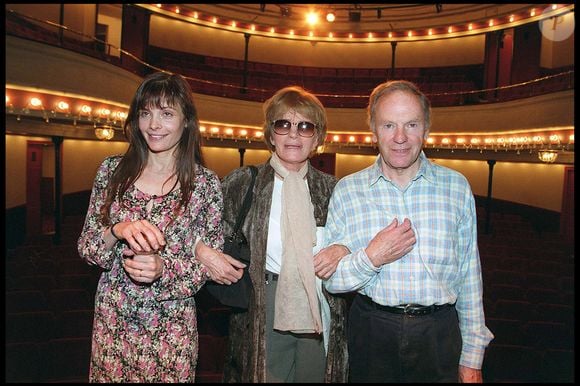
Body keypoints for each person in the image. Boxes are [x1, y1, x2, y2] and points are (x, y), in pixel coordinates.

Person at [323, 80, 494, 383]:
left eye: (411, 124)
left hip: (439, 334)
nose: (400, 137)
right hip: (372, 331)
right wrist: (373, 257)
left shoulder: (456, 187)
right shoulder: (347, 190)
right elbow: (333, 282)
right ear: (373, 131)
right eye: (388, 125)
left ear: (426, 129)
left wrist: (472, 358)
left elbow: (470, 277)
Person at [77, 72, 240, 382]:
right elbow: (87, 247)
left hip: (172, 329)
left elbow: (206, 268)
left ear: (186, 121)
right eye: (146, 113)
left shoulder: (205, 185)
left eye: (166, 114)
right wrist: (117, 230)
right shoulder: (111, 171)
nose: (153, 124)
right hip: (114, 322)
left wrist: (163, 268)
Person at [214, 86, 349, 382]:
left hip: (318, 303)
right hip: (263, 303)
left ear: (317, 137)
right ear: (271, 133)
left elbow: (355, 240)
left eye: (305, 126)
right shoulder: (242, 183)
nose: (293, 135)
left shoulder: (335, 190)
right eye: (283, 124)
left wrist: (344, 249)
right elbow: (203, 231)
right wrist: (206, 254)